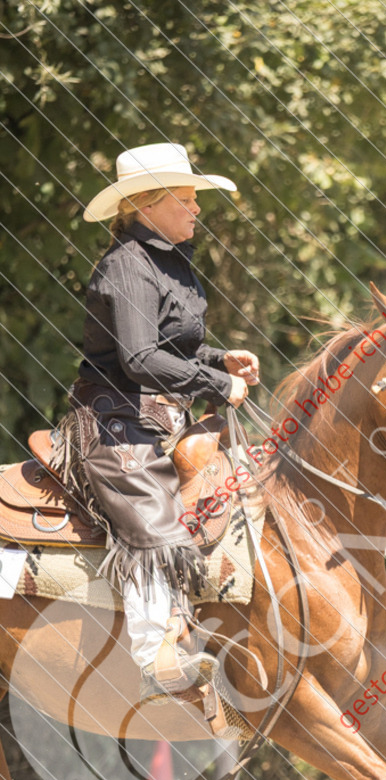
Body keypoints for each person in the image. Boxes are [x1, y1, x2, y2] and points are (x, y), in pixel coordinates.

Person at [52, 142, 260, 706]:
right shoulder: (125, 265)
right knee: (155, 532)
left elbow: (172, 343)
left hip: (163, 419)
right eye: (186, 198)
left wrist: (220, 359)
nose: (197, 209)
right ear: (147, 205)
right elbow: (139, 358)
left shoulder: (169, 259)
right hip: (116, 425)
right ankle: (155, 663)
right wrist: (219, 386)